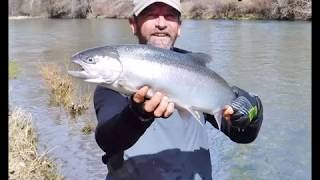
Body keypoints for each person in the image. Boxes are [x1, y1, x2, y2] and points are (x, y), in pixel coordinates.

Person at [94, 0, 263, 179]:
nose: (161, 23)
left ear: (179, 27)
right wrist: (137, 116)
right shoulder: (112, 84)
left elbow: (242, 135)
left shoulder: (198, 76)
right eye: (151, 15)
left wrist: (253, 110)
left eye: (169, 16)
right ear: (133, 24)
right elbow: (108, 141)